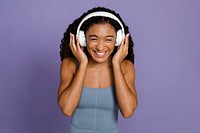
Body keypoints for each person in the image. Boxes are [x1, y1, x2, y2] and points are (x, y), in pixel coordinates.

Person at [57, 7, 138, 133]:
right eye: (94, 38)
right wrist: (83, 64)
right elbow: (67, 109)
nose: (100, 47)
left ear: (118, 40)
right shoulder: (70, 65)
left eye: (108, 39)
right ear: (83, 39)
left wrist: (116, 64)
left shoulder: (125, 67)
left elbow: (128, 112)